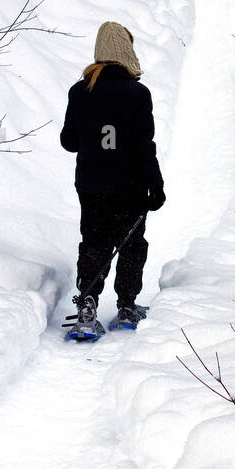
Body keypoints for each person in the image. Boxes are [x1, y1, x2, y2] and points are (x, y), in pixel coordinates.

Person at [60, 21, 166, 336]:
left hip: (91, 184)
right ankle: (126, 307)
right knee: (131, 244)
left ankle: (88, 306)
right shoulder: (137, 94)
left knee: (94, 242)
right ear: (126, 52)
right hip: (130, 186)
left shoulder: (80, 91)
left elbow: (69, 142)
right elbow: (143, 146)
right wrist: (156, 185)